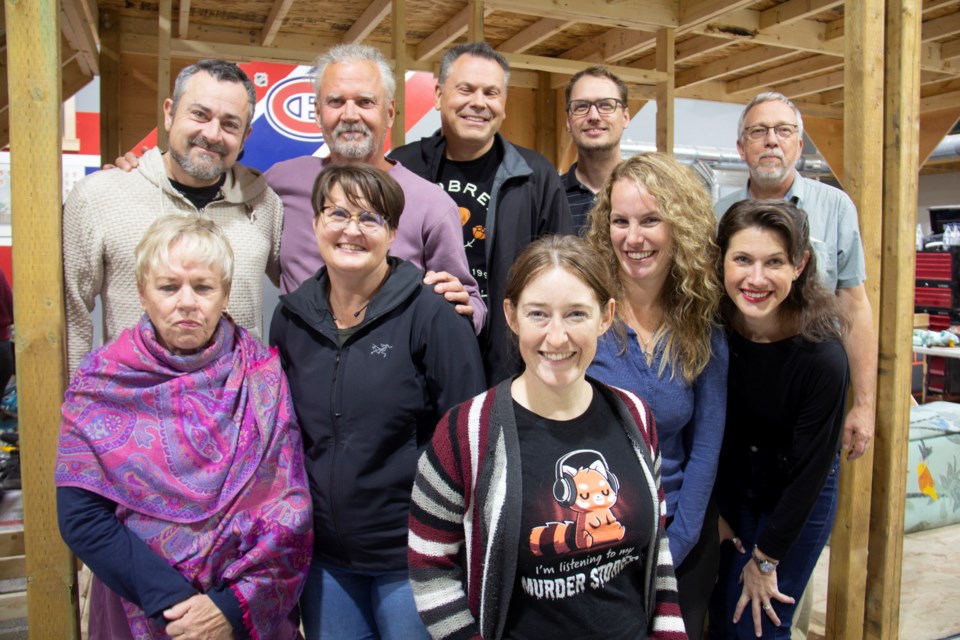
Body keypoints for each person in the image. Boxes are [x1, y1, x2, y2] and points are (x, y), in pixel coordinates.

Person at [408, 235, 687, 640]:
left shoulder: (635, 417)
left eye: (576, 314)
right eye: (538, 314)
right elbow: (429, 565)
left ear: (606, 316)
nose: (556, 338)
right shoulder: (465, 432)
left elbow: (657, 552)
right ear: (511, 315)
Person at [56, 216, 312, 640]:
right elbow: (81, 518)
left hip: (242, 611)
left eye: (204, 287)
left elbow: (291, 507)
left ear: (226, 294)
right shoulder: (102, 381)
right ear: (142, 291)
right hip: (142, 605)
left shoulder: (262, 375)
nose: (187, 302)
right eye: (169, 286)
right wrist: (179, 610)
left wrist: (228, 610)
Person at [270, 163, 486, 640]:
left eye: (370, 219)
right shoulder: (291, 320)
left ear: (391, 233)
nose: (352, 229)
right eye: (338, 213)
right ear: (315, 225)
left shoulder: (433, 316)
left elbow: (469, 441)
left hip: (411, 555)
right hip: (326, 558)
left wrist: (451, 543)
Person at [63, 59, 283, 375]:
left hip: (236, 414)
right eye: (199, 114)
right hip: (136, 413)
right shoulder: (100, 196)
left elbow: (307, 288)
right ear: (169, 113)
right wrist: (75, 403)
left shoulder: (264, 203)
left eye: (230, 124)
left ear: (245, 134)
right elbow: (70, 316)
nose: (212, 133)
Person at [585, 153, 727, 638]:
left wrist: (674, 547)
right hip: (595, 538)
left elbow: (706, 449)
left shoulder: (702, 323)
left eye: (650, 221)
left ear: (679, 227)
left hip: (679, 536)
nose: (633, 237)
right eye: (620, 221)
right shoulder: (586, 315)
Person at [264, 43, 486, 334]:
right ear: (318, 113)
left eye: (365, 102)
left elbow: (469, 302)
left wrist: (465, 309)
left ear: (390, 113)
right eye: (336, 102)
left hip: (393, 371)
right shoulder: (282, 182)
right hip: (299, 369)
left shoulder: (430, 203)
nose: (350, 114)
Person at [390, 42, 573, 385]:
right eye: (465, 89)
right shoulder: (403, 167)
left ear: (503, 105)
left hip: (510, 367)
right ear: (439, 94)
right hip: (413, 362)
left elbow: (562, 268)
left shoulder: (535, 175)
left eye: (491, 93)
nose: (478, 102)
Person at [708, 200, 849, 639]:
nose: (756, 279)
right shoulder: (712, 327)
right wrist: (713, 511)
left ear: (800, 265)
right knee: (720, 615)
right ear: (722, 260)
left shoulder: (822, 357)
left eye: (774, 262)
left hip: (793, 494)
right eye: (743, 260)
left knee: (758, 623)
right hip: (732, 488)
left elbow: (810, 474)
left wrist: (766, 560)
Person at [713, 91, 875, 462]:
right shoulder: (718, 213)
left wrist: (864, 403)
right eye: (758, 131)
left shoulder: (835, 207)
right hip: (739, 386)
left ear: (799, 145)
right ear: (741, 147)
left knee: (807, 494)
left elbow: (854, 303)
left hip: (811, 387)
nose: (771, 140)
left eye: (783, 131)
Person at [561, 66, 630, 234]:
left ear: (625, 117)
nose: (593, 116)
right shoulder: (549, 196)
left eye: (606, 105)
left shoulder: (648, 192)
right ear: (569, 121)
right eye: (581, 106)